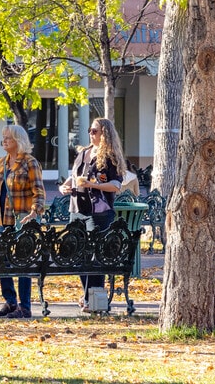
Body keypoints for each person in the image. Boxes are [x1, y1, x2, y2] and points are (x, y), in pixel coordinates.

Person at [58, 118, 126, 313]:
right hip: (77, 209)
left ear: (105, 133)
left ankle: (94, 300)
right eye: (90, 130)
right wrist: (66, 186)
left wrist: (92, 185)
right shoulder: (83, 153)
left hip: (99, 211)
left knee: (95, 256)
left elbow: (115, 185)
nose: (91, 134)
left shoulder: (110, 157)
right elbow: (74, 176)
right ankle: (87, 296)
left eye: (95, 131)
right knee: (78, 253)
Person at [0, 124, 46, 319]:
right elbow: (2, 192)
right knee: (2, 261)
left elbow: (39, 191)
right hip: (4, 220)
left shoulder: (29, 162)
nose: (4, 141)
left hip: (23, 221)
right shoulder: (2, 163)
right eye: (3, 137)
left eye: (8, 137)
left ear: (18, 140)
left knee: (23, 262)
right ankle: (10, 301)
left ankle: (24, 307)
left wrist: (34, 212)